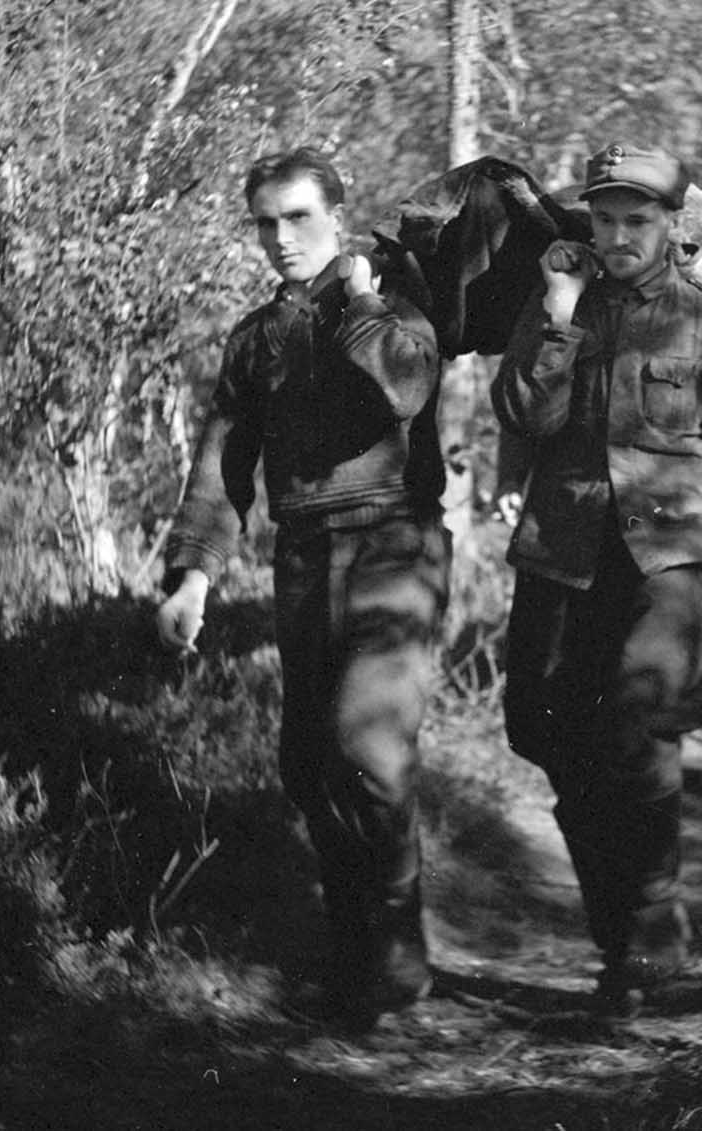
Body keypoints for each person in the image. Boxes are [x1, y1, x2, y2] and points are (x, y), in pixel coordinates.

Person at [491, 141, 702, 1013]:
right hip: (561, 550)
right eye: (605, 218)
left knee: (637, 732)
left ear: (674, 226)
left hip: (669, 557)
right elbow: (524, 412)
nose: (619, 236)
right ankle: (621, 930)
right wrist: (558, 317)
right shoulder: (559, 302)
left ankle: (648, 932)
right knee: (542, 731)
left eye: (638, 220)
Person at [154, 147, 449, 1028]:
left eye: (300, 219)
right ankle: (359, 950)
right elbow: (221, 469)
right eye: (266, 223)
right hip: (306, 555)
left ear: (337, 215)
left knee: (371, 748)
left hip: (395, 546)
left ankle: (396, 956)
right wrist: (193, 577)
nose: (281, 239)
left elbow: (404, 383)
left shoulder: (394, 307)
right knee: (312, 762)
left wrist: (357, 298)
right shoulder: (255, 338)